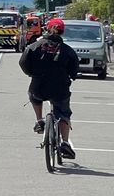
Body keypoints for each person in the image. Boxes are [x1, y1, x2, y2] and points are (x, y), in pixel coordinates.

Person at [19, 18, 79, 158]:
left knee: (33, 96)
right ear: (62, 32)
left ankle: (39, 120)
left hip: (39, 85)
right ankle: (64, 143)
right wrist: (70, 76)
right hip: (60, 88)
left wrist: (31, 73)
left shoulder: (34, 46)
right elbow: (74, 71)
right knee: (63, 113)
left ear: (47, 28)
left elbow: (23, 63)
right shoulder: (68, 51)